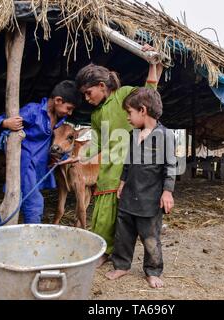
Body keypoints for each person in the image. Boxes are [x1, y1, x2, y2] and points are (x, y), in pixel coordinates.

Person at [75, 45, 164, 267]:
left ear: (102, 86)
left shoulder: (124, 95)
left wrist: (154, 63)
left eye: (88, 92)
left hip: (128, 167)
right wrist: (77, 156)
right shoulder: (96, 115)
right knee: (103, 214)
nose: (86, 99)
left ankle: (109, 253)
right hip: (107, 169)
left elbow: (150, 93)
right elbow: (96, 142)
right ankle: (105, 250)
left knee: (122, 217)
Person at [105, 87, 176, 288]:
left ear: (142, 110)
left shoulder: (166, 136)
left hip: (150, 199)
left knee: (151, 238)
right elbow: (127, 162)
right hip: (129, 194)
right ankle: (121, 265)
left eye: (130, 112)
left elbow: (171, 166)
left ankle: (153, 271)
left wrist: (167, 191)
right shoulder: (132, 134)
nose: (128, 117)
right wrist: (122, 182)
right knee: (123, 234)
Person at [0, 80, 81, 227]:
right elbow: (1, 120)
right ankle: (32, 240)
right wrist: (6, 123)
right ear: (57, 100)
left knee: (14, 203)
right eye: (69, 108)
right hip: (24, 164)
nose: (69, 113)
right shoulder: (33, 111)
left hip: (38, 165)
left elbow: (56, 143)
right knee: (35, 203)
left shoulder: (59, 120)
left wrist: (60, 157)